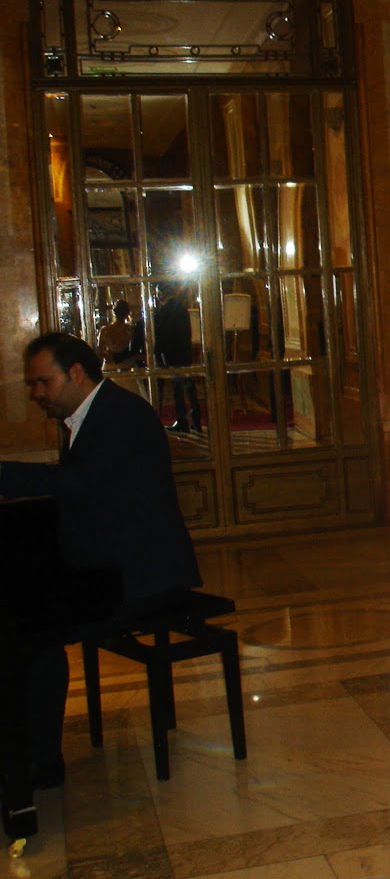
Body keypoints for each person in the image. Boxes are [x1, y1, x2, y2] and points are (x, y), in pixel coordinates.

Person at [0, 333, 201, 838]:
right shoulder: (91, 414)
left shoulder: (121, 416)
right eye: (32, 384)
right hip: (111, 563)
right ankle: (38, 755)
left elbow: (80, 485)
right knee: (34, 633)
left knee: (35, 642)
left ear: (76, 374)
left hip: (146, 573)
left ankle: (40, 761)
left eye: (43, 382)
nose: (36, 393)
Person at [154, 282, 200, 432]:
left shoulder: (162, 312)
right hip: (185, 353)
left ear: (161, 294)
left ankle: (182, 421)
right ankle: (197, 420)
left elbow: (161, 338)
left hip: (172, 356)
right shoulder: (182, 308)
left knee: (178, 390)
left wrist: (158, 355)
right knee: (190, 388)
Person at [96, 299, 139, 371]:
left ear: (114, 312)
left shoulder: (105, 330)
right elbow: (134, 350)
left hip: (110, 364)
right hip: (126, 364)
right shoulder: (130, 329)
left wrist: (108, 357)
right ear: (127, 313)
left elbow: (99, 351)